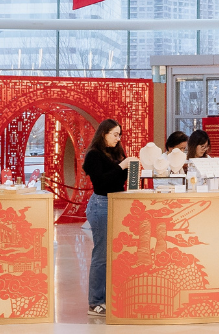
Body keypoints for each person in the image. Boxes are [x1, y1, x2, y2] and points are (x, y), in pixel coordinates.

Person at [82, 119, 138, 317]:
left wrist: (128, 168)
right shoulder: (94, 155)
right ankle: (95, 302)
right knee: (101, 254)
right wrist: (122, 166)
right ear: (103, 133)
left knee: (113, 254)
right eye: (115, 134)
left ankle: (107, 297)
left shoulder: (114, 153)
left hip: (116, 203)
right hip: (101, 205)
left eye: (119, 134)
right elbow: (101, 182)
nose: (118, 138)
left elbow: (118, 181)